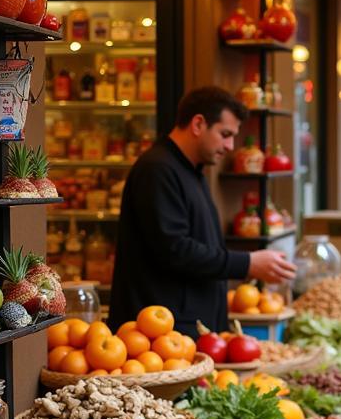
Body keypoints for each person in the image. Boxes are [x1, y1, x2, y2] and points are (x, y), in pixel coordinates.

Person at [110, 86, 295, 336]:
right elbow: (174, 249)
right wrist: (247, 263)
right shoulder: (157, 170)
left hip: (186, 328)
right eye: (225, 134)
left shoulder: (191, 170)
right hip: (162, 334)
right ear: (198, 124)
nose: (230, 145)